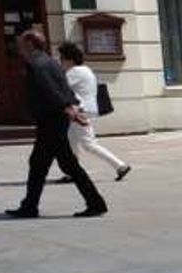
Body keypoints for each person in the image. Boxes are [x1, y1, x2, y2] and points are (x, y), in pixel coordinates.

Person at [6, 30, 107, 218]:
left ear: (29, 44)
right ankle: (31, 205)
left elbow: (50, 89)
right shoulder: (50, 61)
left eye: (21, 43)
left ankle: (94, 203)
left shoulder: (36, 64)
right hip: (55, 119)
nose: (18, 46)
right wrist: (71, 107)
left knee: (54, 164)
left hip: (50, 120)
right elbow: (65, 88)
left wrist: (67, 107)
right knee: (48, 163)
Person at [56, 42, 131, 182]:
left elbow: (60, 87)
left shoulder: (74, 72)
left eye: (61, 59)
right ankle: (72, 172)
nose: (60, 62)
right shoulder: (86, 70)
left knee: (88, 144)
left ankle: (120, 165)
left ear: (69, 59)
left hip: (80, 111)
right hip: (85, 110)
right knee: (72, 141)